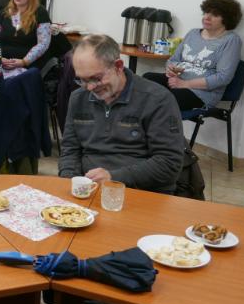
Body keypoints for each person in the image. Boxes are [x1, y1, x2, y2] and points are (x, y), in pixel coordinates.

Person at [58, 34, 184, 194]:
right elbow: (70, 149)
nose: (89, 87)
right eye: (82, 80)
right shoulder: (78, 98)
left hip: (142, 191)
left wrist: (114, 178)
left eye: (96, 78)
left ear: (118, 66)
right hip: (90, 188)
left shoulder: (157, 99)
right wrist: (70, 180)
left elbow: (169, 163)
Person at [144, 0, 243, 110]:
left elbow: (223, 77)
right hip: (176, 81)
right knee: (146, 80)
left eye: (215, 15)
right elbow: (174, 59)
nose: (207, 17)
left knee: (163, 100)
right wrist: (171, 68)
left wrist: (184, 84)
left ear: (227, 19)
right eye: (206, 12)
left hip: (200, 92)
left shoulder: (231, 41)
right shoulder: (193, 33)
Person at [0, 0, 52, 71]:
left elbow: (43, 43)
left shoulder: (40, 13)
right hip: (2, 62)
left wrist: (24, 61)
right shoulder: (4, 12)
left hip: (28, 63)